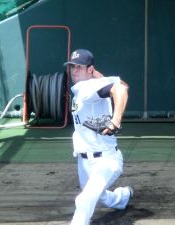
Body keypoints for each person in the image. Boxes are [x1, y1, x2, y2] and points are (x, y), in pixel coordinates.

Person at [64, 49, 133, 225]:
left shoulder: (88, 88)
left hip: (106, 160)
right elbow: (124, 85)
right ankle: (122, 197)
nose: (74, 70)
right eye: (72, 66)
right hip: (84, 162)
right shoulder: (88, 86)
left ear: (89, 69)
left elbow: (120, 90)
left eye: (79, 67)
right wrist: (98, 76)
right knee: (100, 196)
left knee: (84, 199)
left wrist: (116, 120)